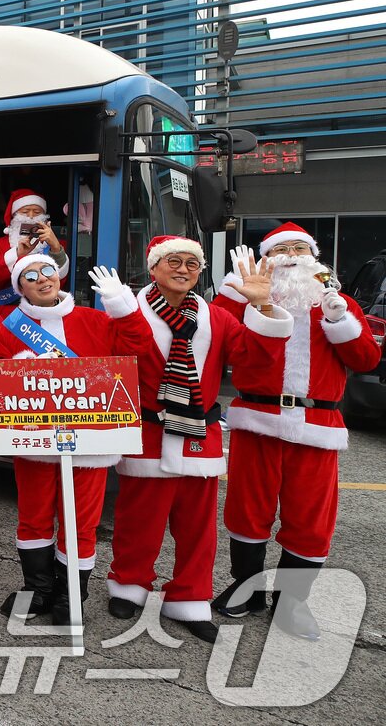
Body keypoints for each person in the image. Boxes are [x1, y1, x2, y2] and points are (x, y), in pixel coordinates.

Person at [93, 235, 290, 643]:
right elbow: (118, 357)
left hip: (200, 432)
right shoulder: (130, 310)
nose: (184, 269)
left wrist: (264, 308)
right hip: (147, 429)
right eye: (175, 262)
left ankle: (189, 597)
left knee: (199, 527)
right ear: (154, 268)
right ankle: (129, 583)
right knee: (137, 519)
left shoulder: (216, 316)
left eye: (193, 264)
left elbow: (252, 358)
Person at [210, 224, 382, 640]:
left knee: (310, 519)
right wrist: (243, 300)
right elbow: (223, 345)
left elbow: (364, 359)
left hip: (318, 425)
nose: (290, 254)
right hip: (257, 418)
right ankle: (246, 587)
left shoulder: (337, 303)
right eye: (281, 248)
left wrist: (340, 317)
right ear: (265, 256)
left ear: (315, 257)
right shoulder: (238, 297)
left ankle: (292, 601)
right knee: (247, 510)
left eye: (299, 248)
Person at [0, 252, 139, 624]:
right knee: (34, 518)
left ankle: (71, 596)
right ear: (19, 286)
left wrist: (124, 308)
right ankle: (37, 590)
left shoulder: (96, 320)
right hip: (34, 443)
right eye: (31, 275)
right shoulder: (6, 328)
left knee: (81, 523)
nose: (42, 279)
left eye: (48, 271)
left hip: (90, 444)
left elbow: (138, 350)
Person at [1, 189, 68, 279]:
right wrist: (17, 254)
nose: (31, 216)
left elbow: (63, 280)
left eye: (37, 212)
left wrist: (56, 248)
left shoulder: (58, 245)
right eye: (25, 212)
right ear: (14, 216)